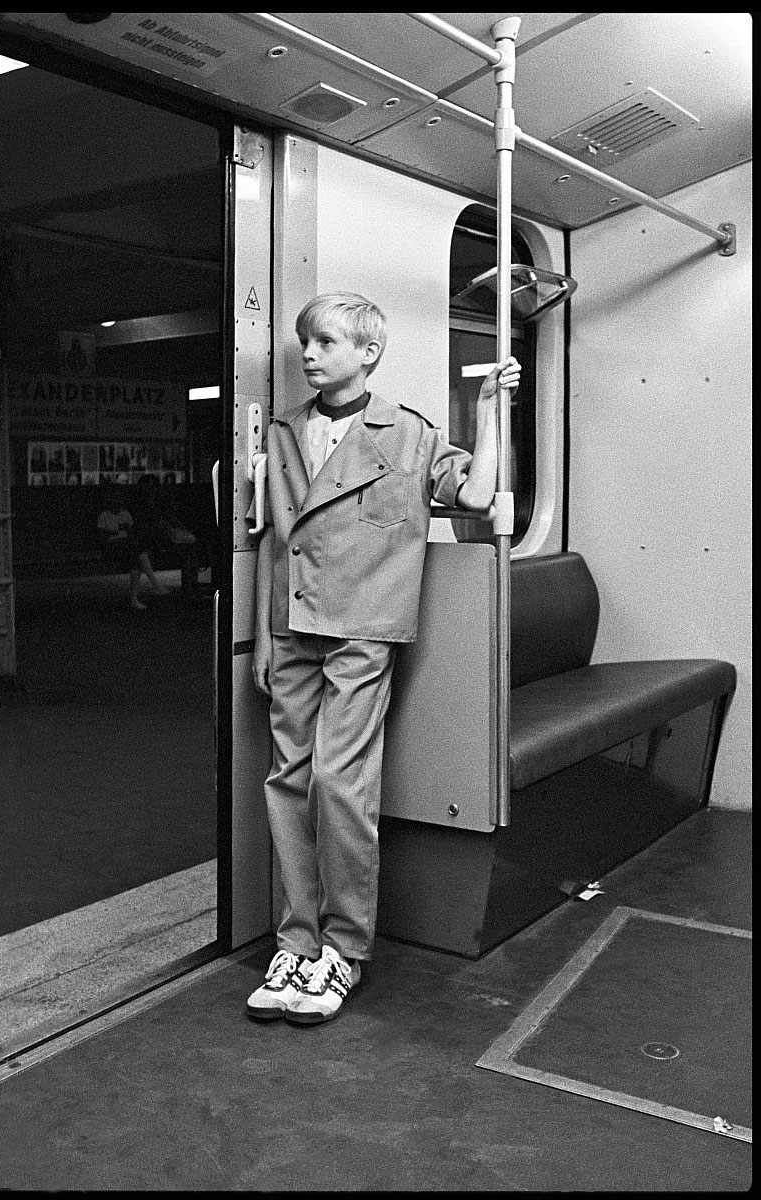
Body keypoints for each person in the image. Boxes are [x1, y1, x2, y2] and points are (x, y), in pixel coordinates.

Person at [246, 292, 520, 1025]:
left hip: (364, 627)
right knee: (289, 781)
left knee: (339, 782)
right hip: (294, 624)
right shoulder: (283, 432)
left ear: (368, 352)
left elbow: (477, 493)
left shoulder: (409, 433)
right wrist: (266, 638)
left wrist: (489, 410)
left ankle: (343, 947)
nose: (309, 354)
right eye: (306, 341)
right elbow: (277, 542)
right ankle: (296, 941)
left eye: (327, 342)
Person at [96, 485, 170, 611]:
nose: (117, 502)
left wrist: (127, 529)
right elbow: (101, 537)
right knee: (139, 553)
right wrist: (113, 532)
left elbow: (132, 533)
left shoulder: (125, 513)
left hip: (128, 545)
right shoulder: (104, 515)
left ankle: (135, 598)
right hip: (112, 545)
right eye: (114, 499)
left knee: (137, 560)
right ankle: (154, 585)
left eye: (119, 499)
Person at [132, 474, 200, 605]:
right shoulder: (138, 505)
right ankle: (189, 591)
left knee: (188, 551)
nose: (150, 489)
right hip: (151, 539)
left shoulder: (161, 504)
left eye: (153, 486)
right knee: (185, 549)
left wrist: (177, 528)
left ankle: (190, 590)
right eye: (147, 486)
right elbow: (138, 526)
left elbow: (173, 520)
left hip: (167, 538)